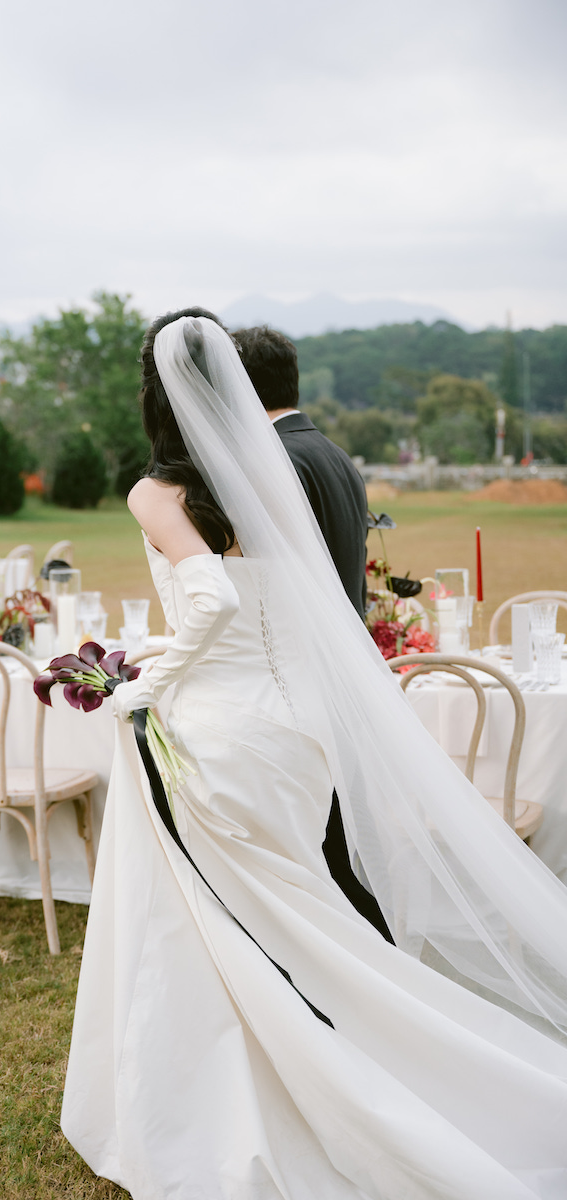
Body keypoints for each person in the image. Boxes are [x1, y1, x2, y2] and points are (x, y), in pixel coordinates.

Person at [61, 309, 567, 1200]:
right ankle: (311, 1063)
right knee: (295, 914)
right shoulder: (259, 479)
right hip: (290, 726)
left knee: (219, 925)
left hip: (217, 727)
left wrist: (143, 682)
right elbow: (285, 605)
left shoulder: (156, 491)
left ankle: (238, 1098)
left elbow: (211, 603)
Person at [234, 325, 391, 943]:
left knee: (323, 845)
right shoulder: (328, 451)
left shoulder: (278, 464)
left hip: (306, 676)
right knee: (340, 840)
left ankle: (358, 970)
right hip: (344, 668)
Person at [234, 325, 368, 618]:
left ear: (239, 387)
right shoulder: (338, 456)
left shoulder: (272, 461)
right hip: (350, 644)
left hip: (304, 648)